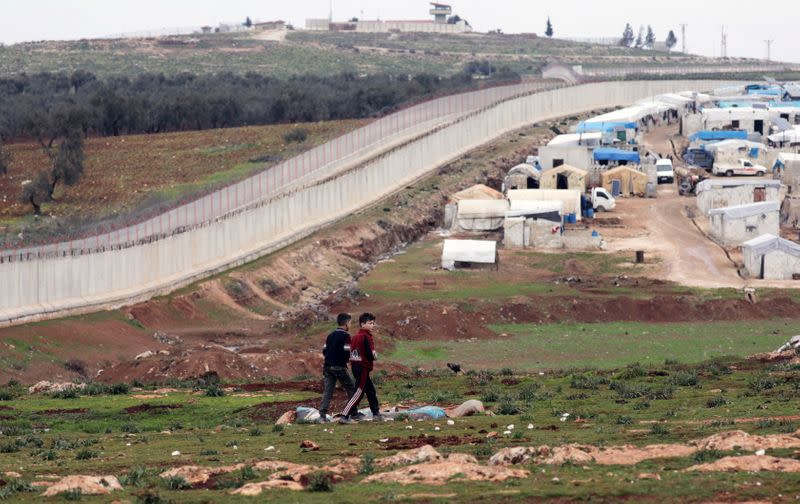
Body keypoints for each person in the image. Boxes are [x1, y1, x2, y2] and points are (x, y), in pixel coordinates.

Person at [340, 312, 381, 422]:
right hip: (363, 366)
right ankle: (344, 415)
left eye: (373, 323)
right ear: (362, 324)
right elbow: (370, 354)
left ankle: (376, 413)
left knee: (371, 390)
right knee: (358, 392)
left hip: (355, 366)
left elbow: (349, 351)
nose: (372, 325)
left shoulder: (355, 337)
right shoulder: (366, 336)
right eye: (370, 323)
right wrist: (374, 356)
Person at [318, 313, 355, 422]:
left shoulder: (330, 335)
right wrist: (345, 361)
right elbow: (347, 352)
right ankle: (352, 413)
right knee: (351, 389)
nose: (351, 325)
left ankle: (322, 415)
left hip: (327, 367)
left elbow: (324, 351)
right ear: (347, 323)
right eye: (351, 323)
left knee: (328, 391)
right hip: (340, 367)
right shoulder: (346, 336)